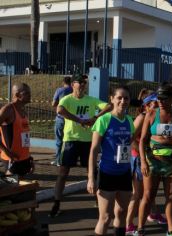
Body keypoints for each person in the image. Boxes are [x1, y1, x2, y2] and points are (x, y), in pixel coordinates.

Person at [49, 74, 112, 218]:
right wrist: (78, 119)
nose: (83, 85)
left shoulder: (90, 99)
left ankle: (98, 201)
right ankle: (56, 203)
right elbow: (59, 110)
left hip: (88, 141)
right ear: (73, 85)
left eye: (84, 83)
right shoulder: (67, 99)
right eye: (80, 82)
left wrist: (96, 117)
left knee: (92, 172)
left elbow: (109, 106)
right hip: (70, 140)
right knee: (63, 173)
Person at [135, 84, 172, 236]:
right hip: (153, 161)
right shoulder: (151, 114)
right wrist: (143, 161)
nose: (161, 101)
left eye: (165, 98)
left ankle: (171, 230)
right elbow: (142, 140)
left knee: (171, 196)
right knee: (148, 195)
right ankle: (140, 228)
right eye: (159, 98)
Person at [87, 86, 134, 236]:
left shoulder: (129, 120)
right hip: (107, 173)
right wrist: (91, 178)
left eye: (126, 98)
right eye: (119, 97)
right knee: (106, 217)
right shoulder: (104, 119)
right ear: (112, 99)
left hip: (125, 173)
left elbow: (129, 144)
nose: (122, 101)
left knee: (121, 212)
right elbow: (94, 149)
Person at [126, 92, 167, 235]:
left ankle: (153, 213)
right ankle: (128, 225)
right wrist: (143, 155)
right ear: (147, 105)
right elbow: (130, 140)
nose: (158, 105)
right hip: (139, 159)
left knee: (149, 192)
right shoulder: (142, 117)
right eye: (154, 103)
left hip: (150, 159)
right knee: (137, 194)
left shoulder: (154, 117)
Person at [0, 83, 34, 178]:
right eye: (27, 93)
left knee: (22, 188)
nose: (30, 95)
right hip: (12, 158)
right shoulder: (7, 110)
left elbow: (24, 136)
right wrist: (6, 151)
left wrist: (29, 157)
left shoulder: (23, 110)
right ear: (18, 95)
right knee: (11, 188)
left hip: (24, 158)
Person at [51, 76, 73, 166]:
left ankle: (58, 160)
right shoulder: (73, 91)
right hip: (71, 118)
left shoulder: (60, 90)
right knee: (69, 140)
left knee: (59, 140)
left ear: (63, 82)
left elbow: (54, 104)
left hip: (61, 118)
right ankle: (70, 159)